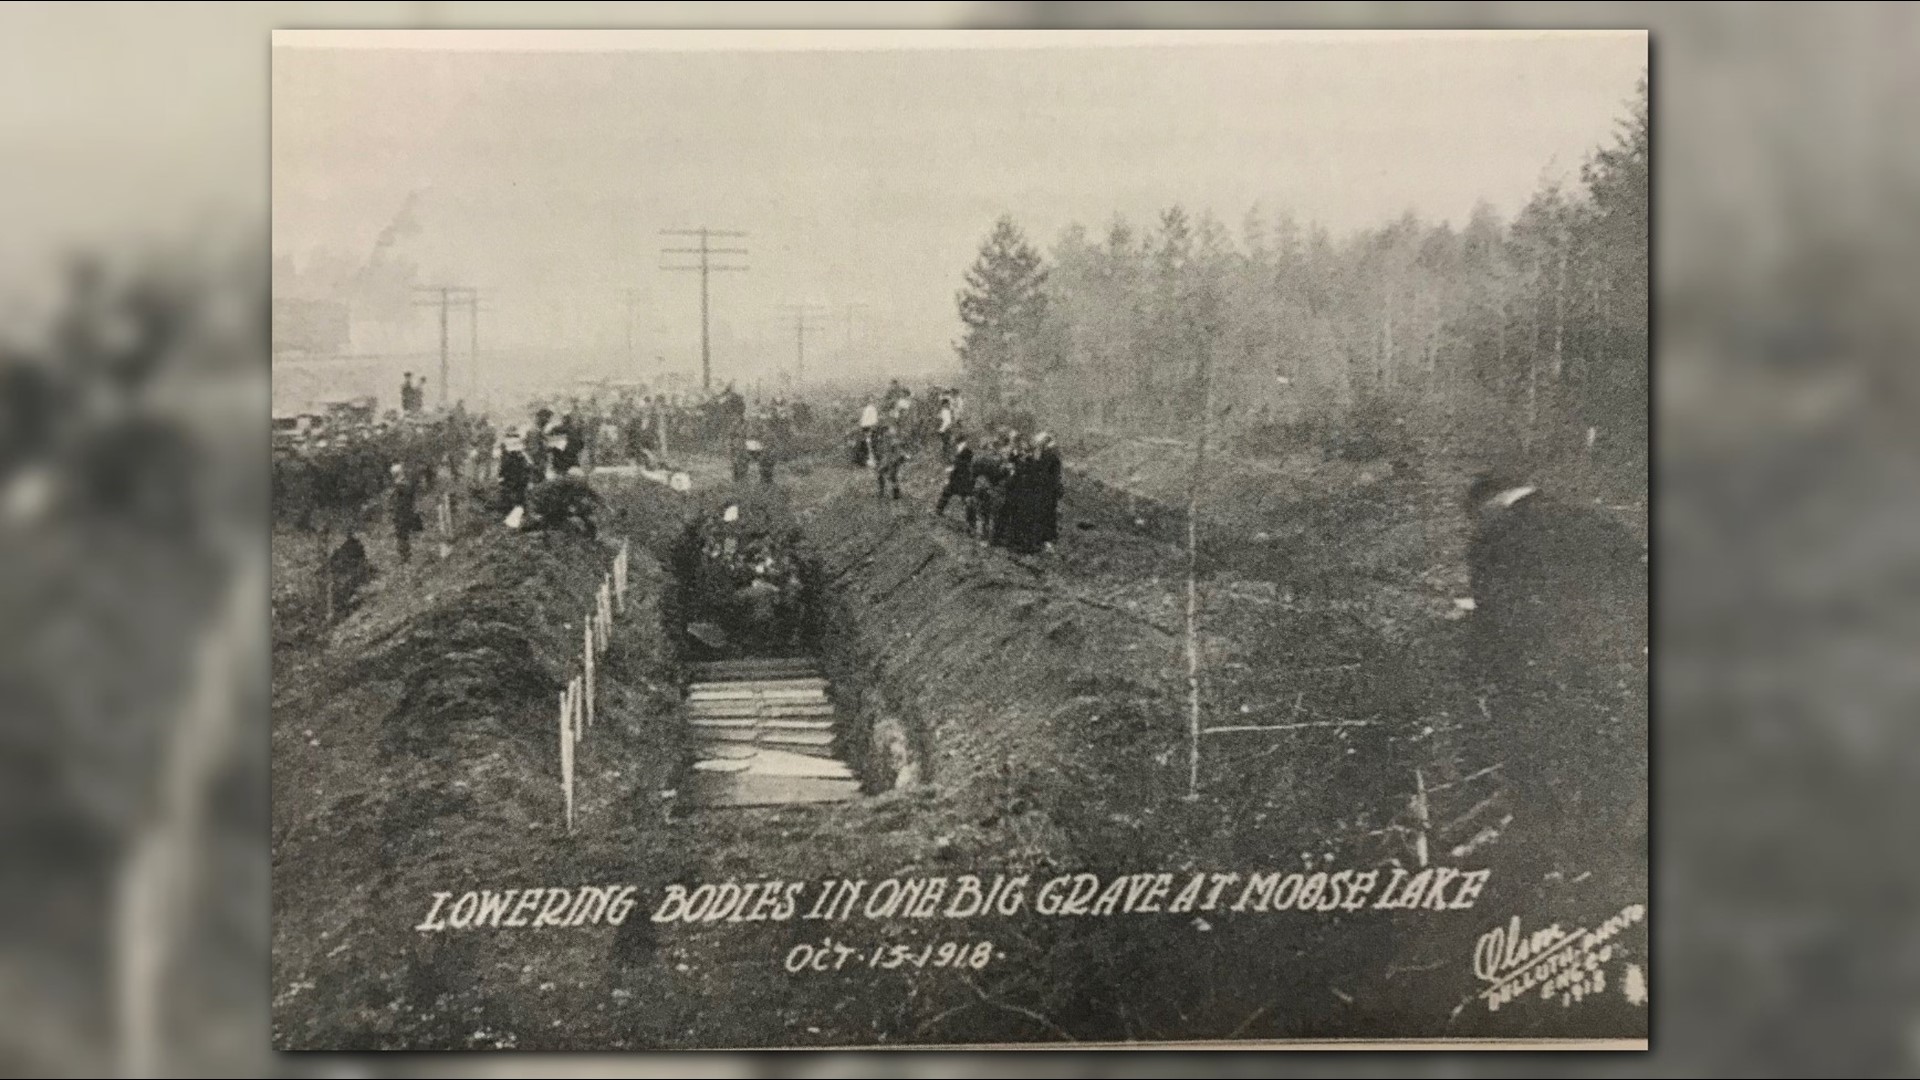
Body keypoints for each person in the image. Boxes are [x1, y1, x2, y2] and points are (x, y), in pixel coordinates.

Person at [388, 462, 424, 563]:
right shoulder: (405, 485)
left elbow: (395, 502)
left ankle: (405, 557)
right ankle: (406, 556)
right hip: (406, 512)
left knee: (402, 535)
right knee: (404, 535)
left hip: (402, 513)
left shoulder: (399, 487)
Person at [1034, 432, 1063, 552]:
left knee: (1045, 514)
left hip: (1045, 490)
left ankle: (1044, 540)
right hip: (1047, 490)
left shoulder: (1046, 457)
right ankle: (1046, 539)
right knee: (1048, 514)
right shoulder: (1051, 458)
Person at [935, 433, 973, 519]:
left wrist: (953, 468)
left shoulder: (967, 452)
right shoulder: (962, 451)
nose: (959, 445)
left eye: (961, 443)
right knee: (949, 493)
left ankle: (939, 510)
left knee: (961, 497)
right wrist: (953, 468)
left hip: (961, 479)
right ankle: (938, 511)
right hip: (959, 479)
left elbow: (963, 465)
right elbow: (958, 464)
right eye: (959, 443)